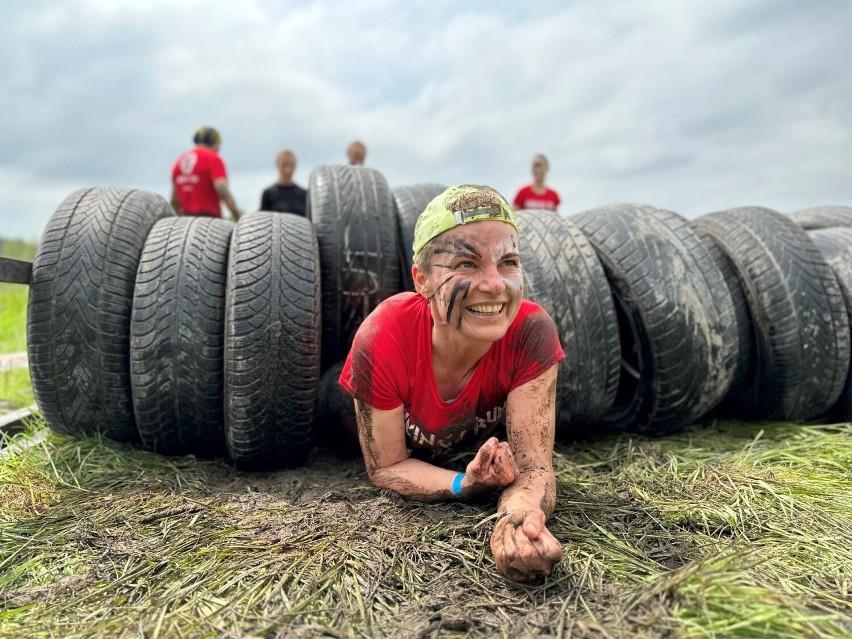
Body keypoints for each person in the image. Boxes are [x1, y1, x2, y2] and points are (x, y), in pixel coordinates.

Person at [339, 184, 565, 582]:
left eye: (508, 262)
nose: (496, 284)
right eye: (466, 264)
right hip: (342, 418)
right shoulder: (383, 337)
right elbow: (386, 466)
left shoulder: (532, 331)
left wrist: (517, 523)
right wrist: (466, 484)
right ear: (422, 279)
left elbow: (534, 469)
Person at [171, 126, 243, 220]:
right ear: (215, 143)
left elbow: (174, 200)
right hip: (209, 220)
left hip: (184, 220)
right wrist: (237, 215)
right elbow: (222, 189)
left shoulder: (179, 162)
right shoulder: (214, 159)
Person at [260, 149, 307, 216]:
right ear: (277, 165)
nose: (287, 170)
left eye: (290, 165)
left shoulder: (304, 194)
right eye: (284, 165)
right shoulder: (268, 194)